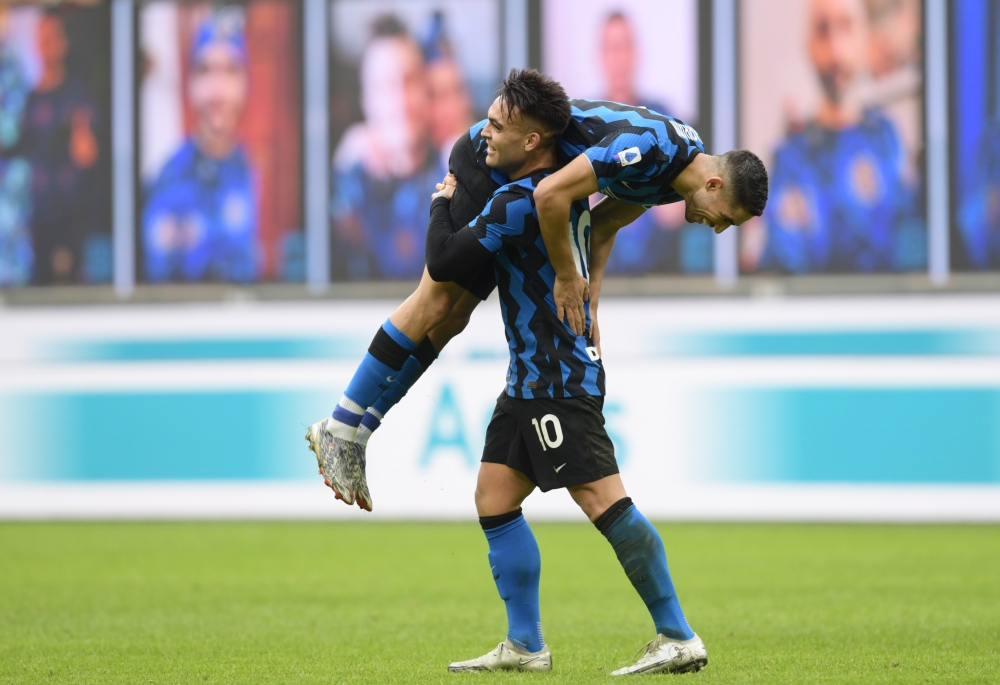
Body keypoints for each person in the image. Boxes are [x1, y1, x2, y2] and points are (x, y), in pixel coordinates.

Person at [306, 74, 768, 512]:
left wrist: (590, 307)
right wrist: (568, 277)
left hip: (526, 175)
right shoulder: (653, 150)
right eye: (726, 217)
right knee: (437, 299)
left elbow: (603, 226)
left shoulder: (675, 176)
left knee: (453, 318)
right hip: (494, 160)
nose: (720, 228)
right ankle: (341, 423)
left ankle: (358, 433)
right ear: (714, 184)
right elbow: (552, 194)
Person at [413, 71, 706, 675]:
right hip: (530, 376)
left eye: (498, 128)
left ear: (533, 141)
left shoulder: (528, 197)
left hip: (558, 378)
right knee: (494, 497)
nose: (486, 138)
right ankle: (525, 645)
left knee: (603, 500)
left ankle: (678, 634)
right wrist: (585, 283)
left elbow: (443, 263)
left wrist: (443, 199)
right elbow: (603, 223)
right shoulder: (563, 189)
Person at [752, 0, 922, 274]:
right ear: (808, 45)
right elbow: (784, 262)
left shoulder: (887, 140)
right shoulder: (790, 158)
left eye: (847, 26)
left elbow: (912, 247)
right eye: (823, 30)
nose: (836, 50)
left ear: (865, 36)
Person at [142, 8, 258, 283]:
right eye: (206, 71)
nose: (218, 89)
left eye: (231, 70)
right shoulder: (169, 176)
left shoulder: (250, 168)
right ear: (190, 84)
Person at [330, 15, 439, 280]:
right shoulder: (343, 182)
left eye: (409, 80)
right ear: (366, 100)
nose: (400, 99)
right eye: (384, 85)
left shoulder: (455, 176)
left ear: (426, 89)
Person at [7, 9, 102, 285]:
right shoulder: (29, 100)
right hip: (35, 220)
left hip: (70, 221)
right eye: (42, 37)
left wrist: (80, 134)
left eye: (52, 37)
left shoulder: (77, 96)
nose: (46, 43)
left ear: (63, 43)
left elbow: (87, 156)